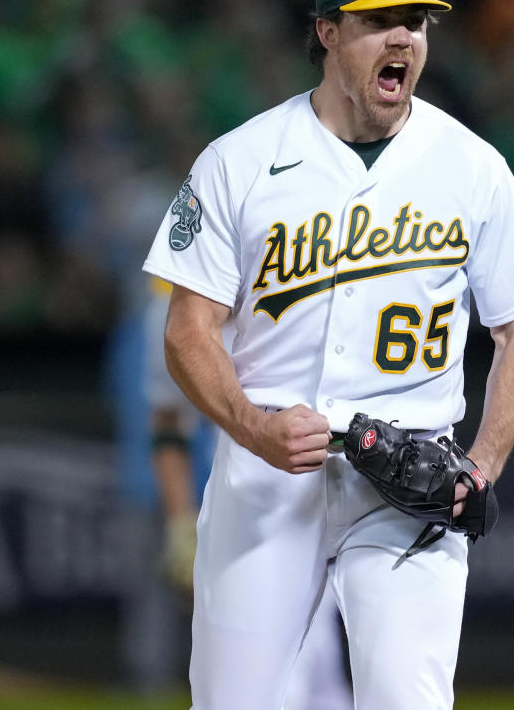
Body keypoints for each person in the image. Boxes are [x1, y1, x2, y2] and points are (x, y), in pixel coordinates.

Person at [142, 0, 514, 710]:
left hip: (412, 478)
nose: (404, 38)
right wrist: (252, 425)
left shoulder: (472, 166)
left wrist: (482, 466)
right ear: (328, 32)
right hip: (270, 469)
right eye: (379, 20)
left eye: (417, 22)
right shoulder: (239, 160)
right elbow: (186, 330)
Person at [143, 278, 353, 709]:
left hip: (328, 493)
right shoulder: (170, 314)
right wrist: (180, 519)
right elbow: (168, 426)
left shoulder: (312, 275)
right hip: (242, 506)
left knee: (320, 669)